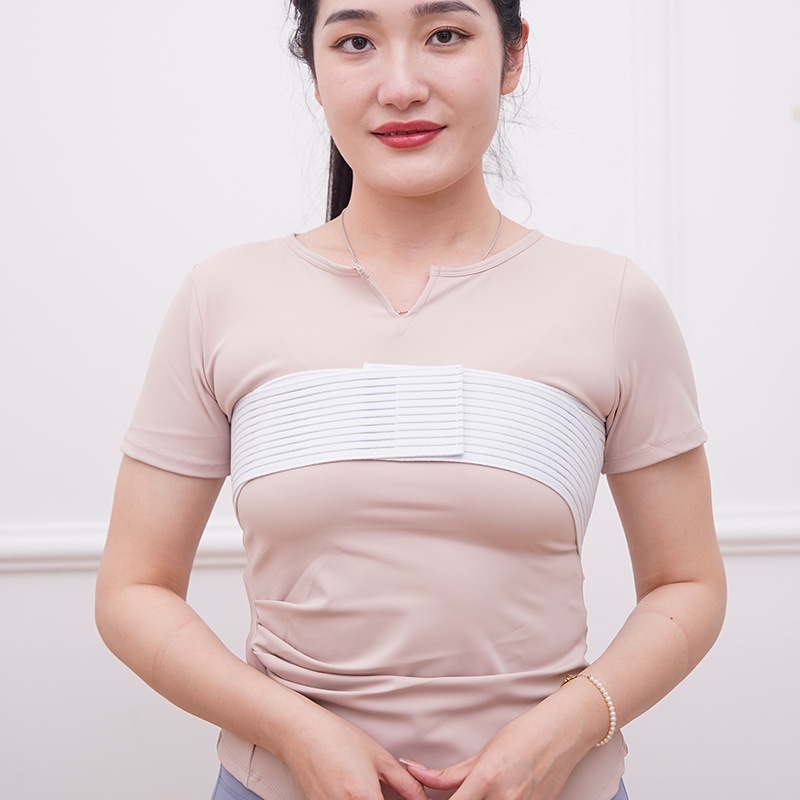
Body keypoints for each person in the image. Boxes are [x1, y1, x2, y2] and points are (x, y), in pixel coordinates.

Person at [95, 2, 727, 799]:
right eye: (355, 41)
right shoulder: (220, 297)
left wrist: (562, 732)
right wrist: (295, 732)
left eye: (445, 35)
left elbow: (686, 583)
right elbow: (134, 590)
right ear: (314, 69)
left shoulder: (614, 302)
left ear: (513, 56)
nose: (400, 86)